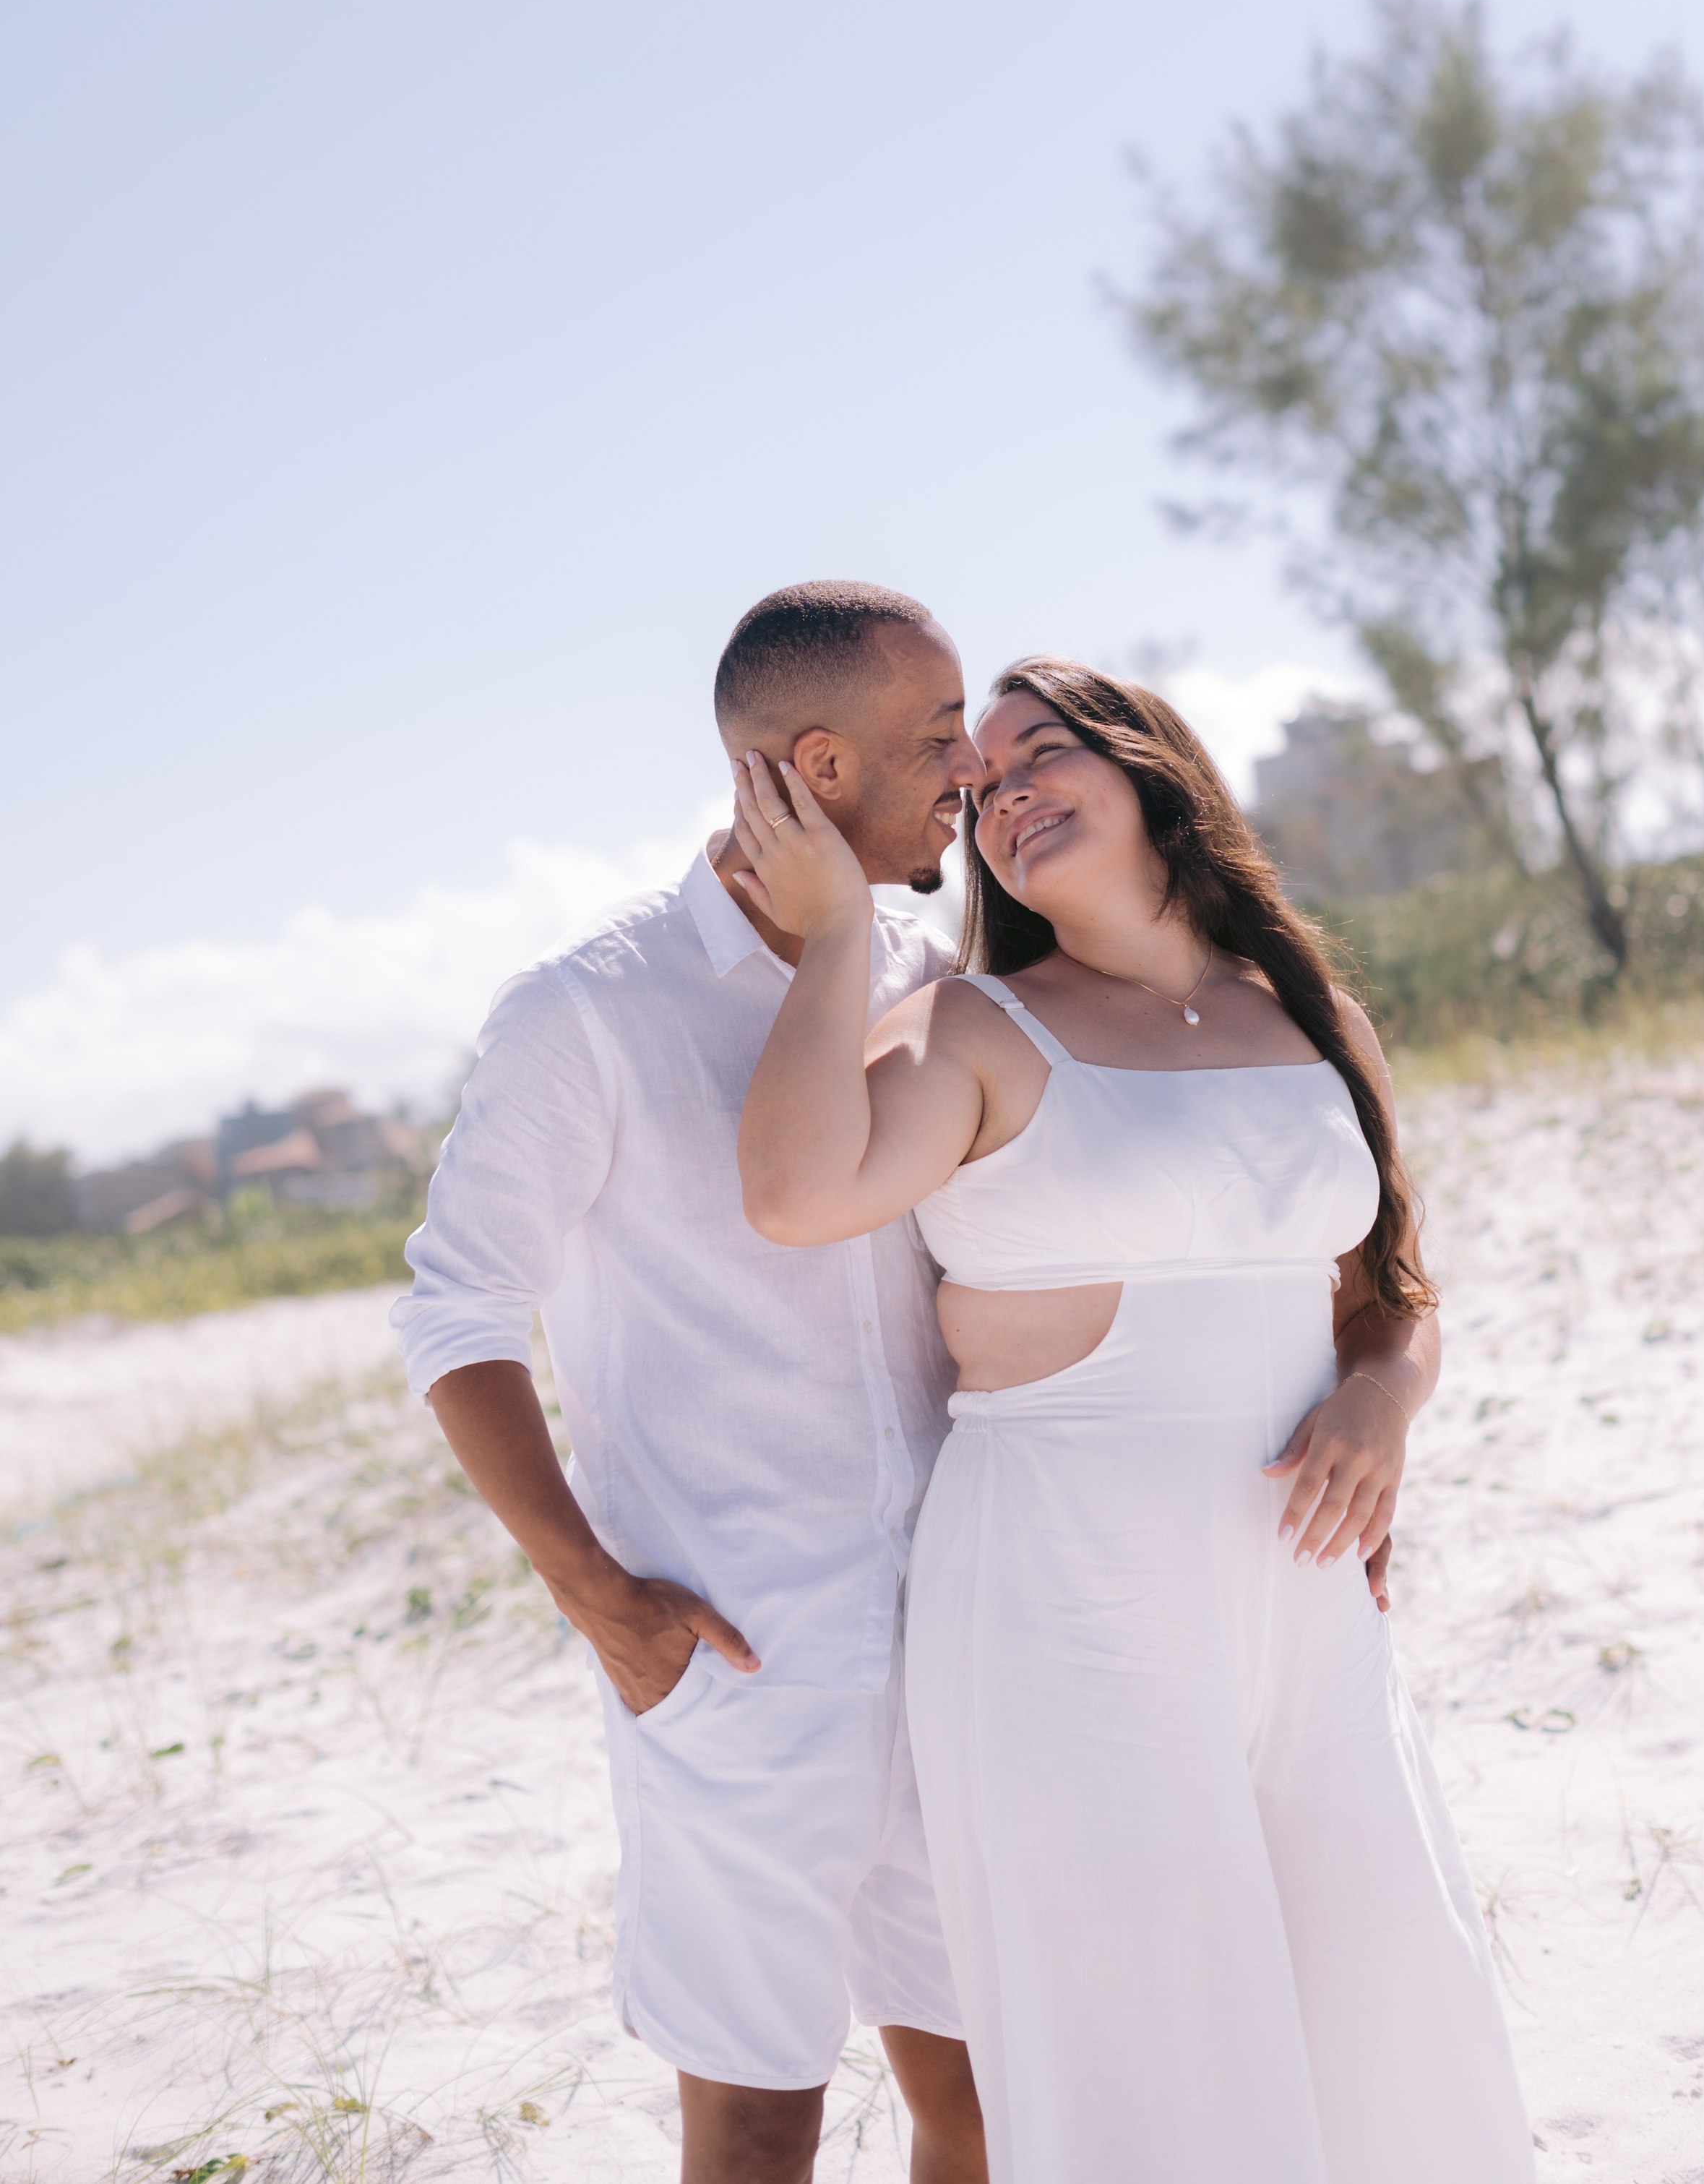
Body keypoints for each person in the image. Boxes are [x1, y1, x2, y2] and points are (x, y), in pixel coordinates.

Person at [732, 655, 1536, 2184]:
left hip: (1302, 1605)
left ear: (1149, 767)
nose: (1007, 794)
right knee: (1151, 2035)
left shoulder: (1309, 1016)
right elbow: (790, 1191)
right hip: (1062, 1602)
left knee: (1375, 1989)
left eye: (1041, 755)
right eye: (979, 790)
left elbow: (1387, 1291)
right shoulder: (972, 1030)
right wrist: (838, 930)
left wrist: (1382, 1394)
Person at [390, 581, 990, 2184]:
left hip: (959, 1632)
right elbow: (456, 1316)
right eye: (938, 737)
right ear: (817, 762)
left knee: (984, 2088)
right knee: (753, 2121)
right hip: (737, 1656)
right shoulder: (585, 1010)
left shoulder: (935, 969)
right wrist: (599, 1596)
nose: (972, 763)